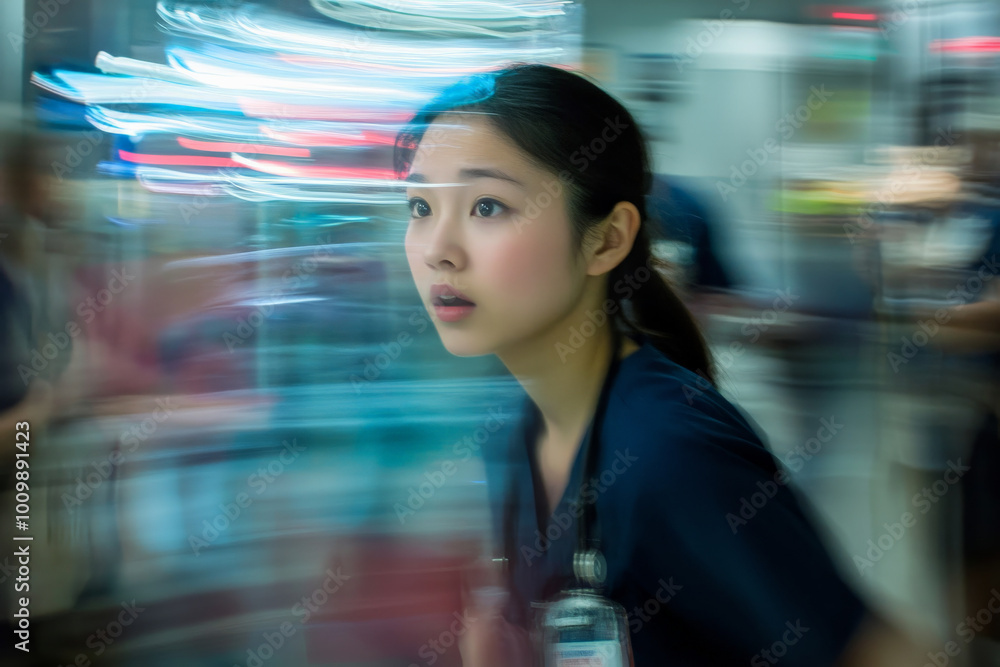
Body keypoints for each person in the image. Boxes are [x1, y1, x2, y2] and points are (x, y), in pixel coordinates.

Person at [395, 63, 922, 666]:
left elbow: (873, 653)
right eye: (420, 208)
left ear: (606, 240)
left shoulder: (671, 454)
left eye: (488, 206)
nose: (438, 250)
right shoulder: (523, 430)